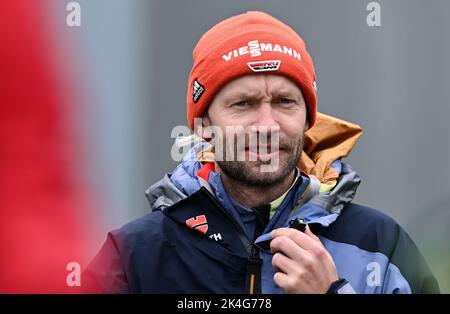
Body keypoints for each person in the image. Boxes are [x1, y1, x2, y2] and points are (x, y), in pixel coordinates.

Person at [83, 11, 439, 294]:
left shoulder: (379, 245)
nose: (267, 125)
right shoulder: (134, 257)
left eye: (285, 102)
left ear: (307, 120)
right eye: (243, 104)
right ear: (203, 126)